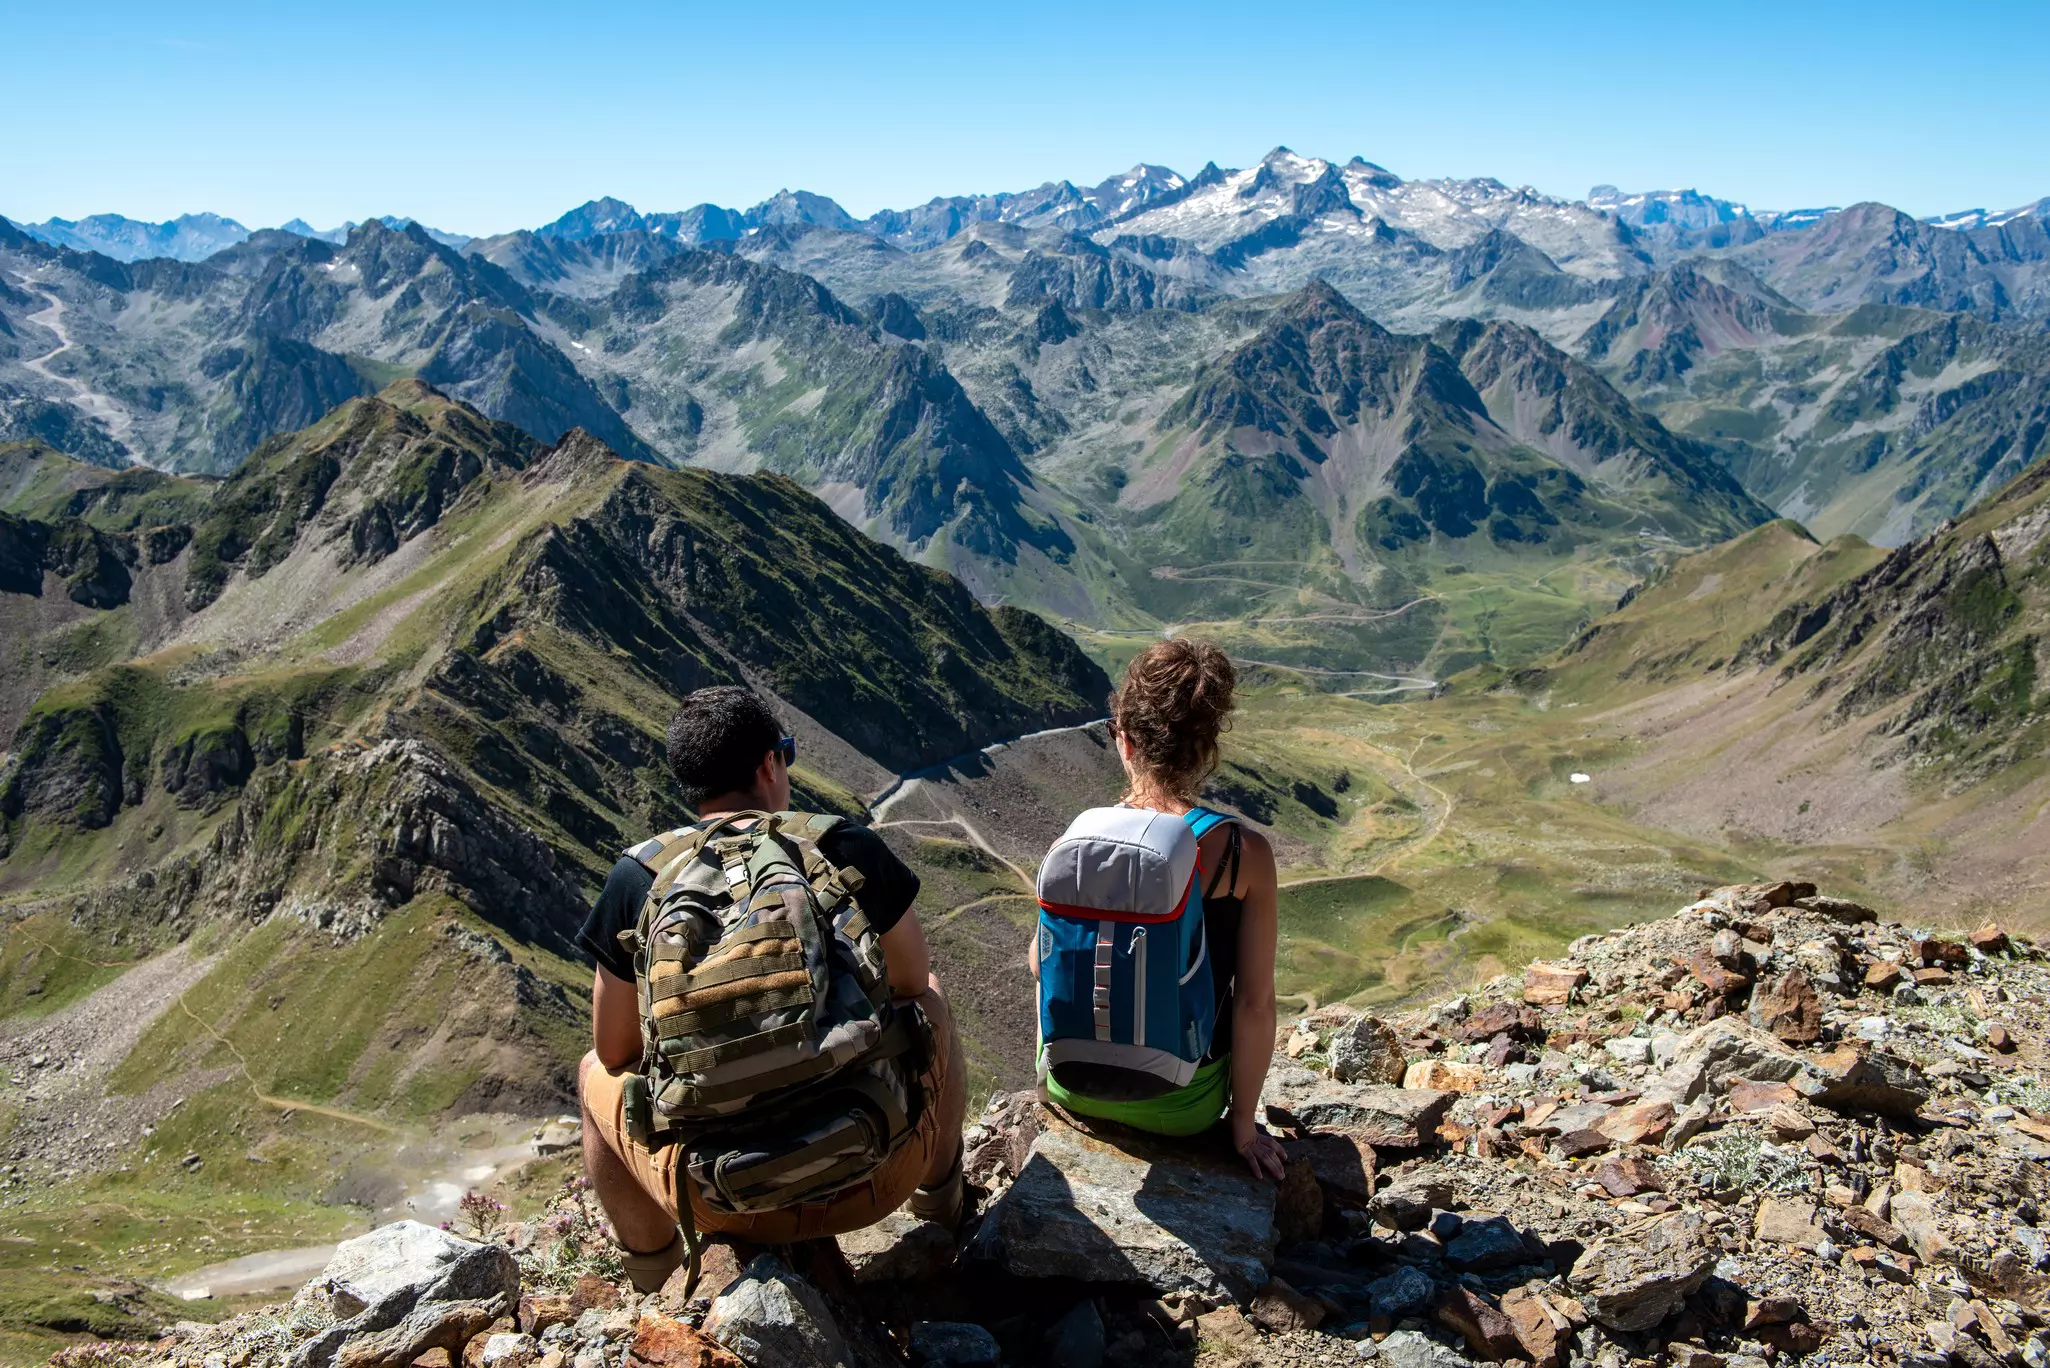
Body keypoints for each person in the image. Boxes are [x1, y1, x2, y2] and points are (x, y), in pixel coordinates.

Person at [576, 685, 967, 1292]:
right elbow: (912, 980)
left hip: (726, 1200)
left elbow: (616, 1051)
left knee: (590, 1074)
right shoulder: (841, 845)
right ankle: (942, 1210)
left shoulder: (636, 881)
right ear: (769, 763)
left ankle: (657, 1280)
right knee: (930, 999)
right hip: (874, 1175)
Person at [1032, 639, 1287, 1180]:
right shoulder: (1244, 855)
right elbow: (1256, 1006)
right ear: (1207, 748)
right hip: (1183, 1107)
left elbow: (1040, 964)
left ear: (1123, 741)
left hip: (1070, 1087)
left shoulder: (1082, 839)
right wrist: (1242, 1126)